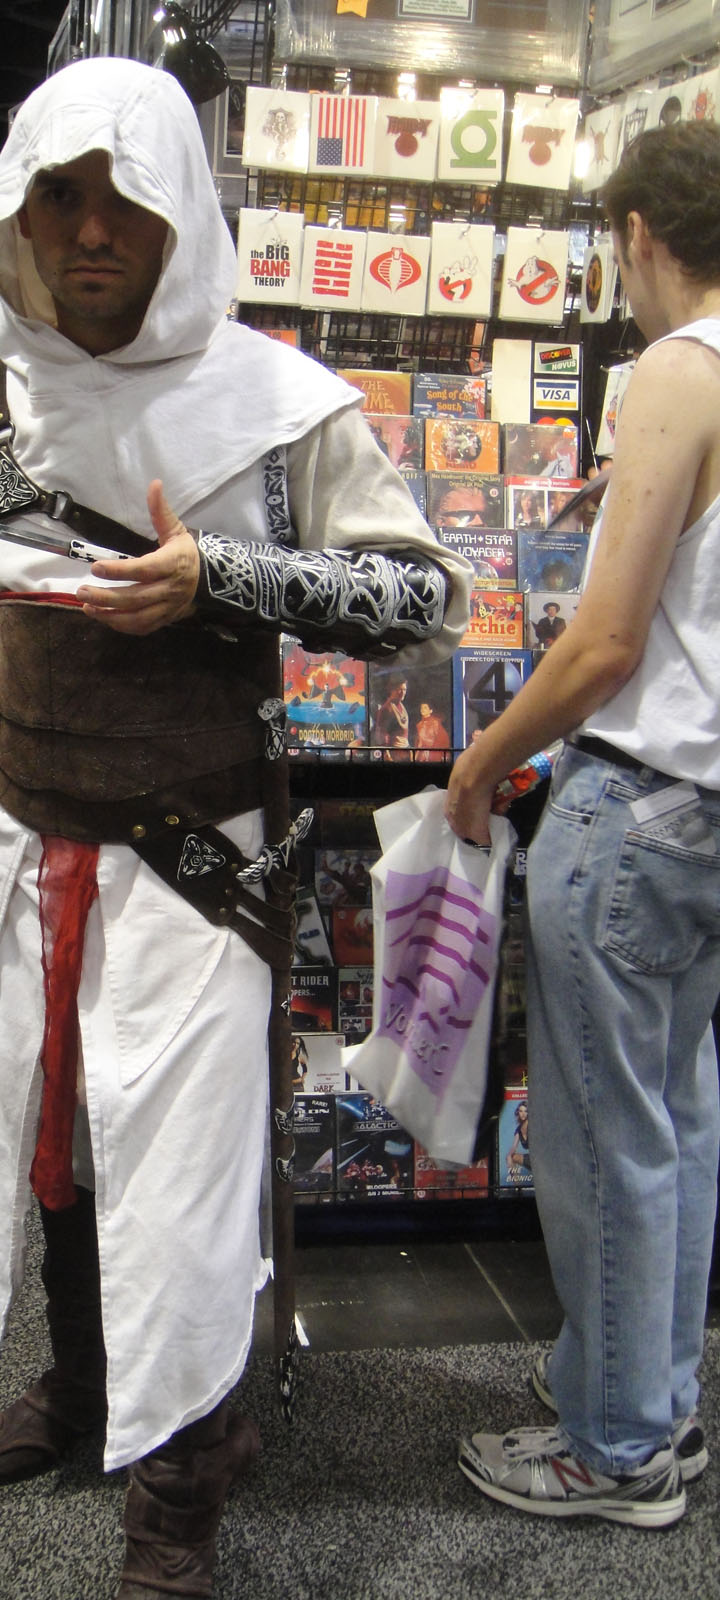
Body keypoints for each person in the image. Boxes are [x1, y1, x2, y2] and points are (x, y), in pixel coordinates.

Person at [0, 58, 471, 1597]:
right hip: (30, 848)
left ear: (182, 222)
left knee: (188, 1183)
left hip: (196, 867)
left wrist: (230, 577)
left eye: (129, 203)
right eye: (61, 200)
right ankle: (89, 1388)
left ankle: (181, 1494)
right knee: (59, 1149)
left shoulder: (279, 404)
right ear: (19, 219)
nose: (94, 234)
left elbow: (428, 602)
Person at [446, 121, 720, 1529]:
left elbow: (606, 644)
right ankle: (649, 1396)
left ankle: (616, 1453)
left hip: (638, 802)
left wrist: (486, 756)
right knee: (674, 1116)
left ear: (636, 236)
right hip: (714, 809)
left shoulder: (679, 367)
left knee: (606, 1135)